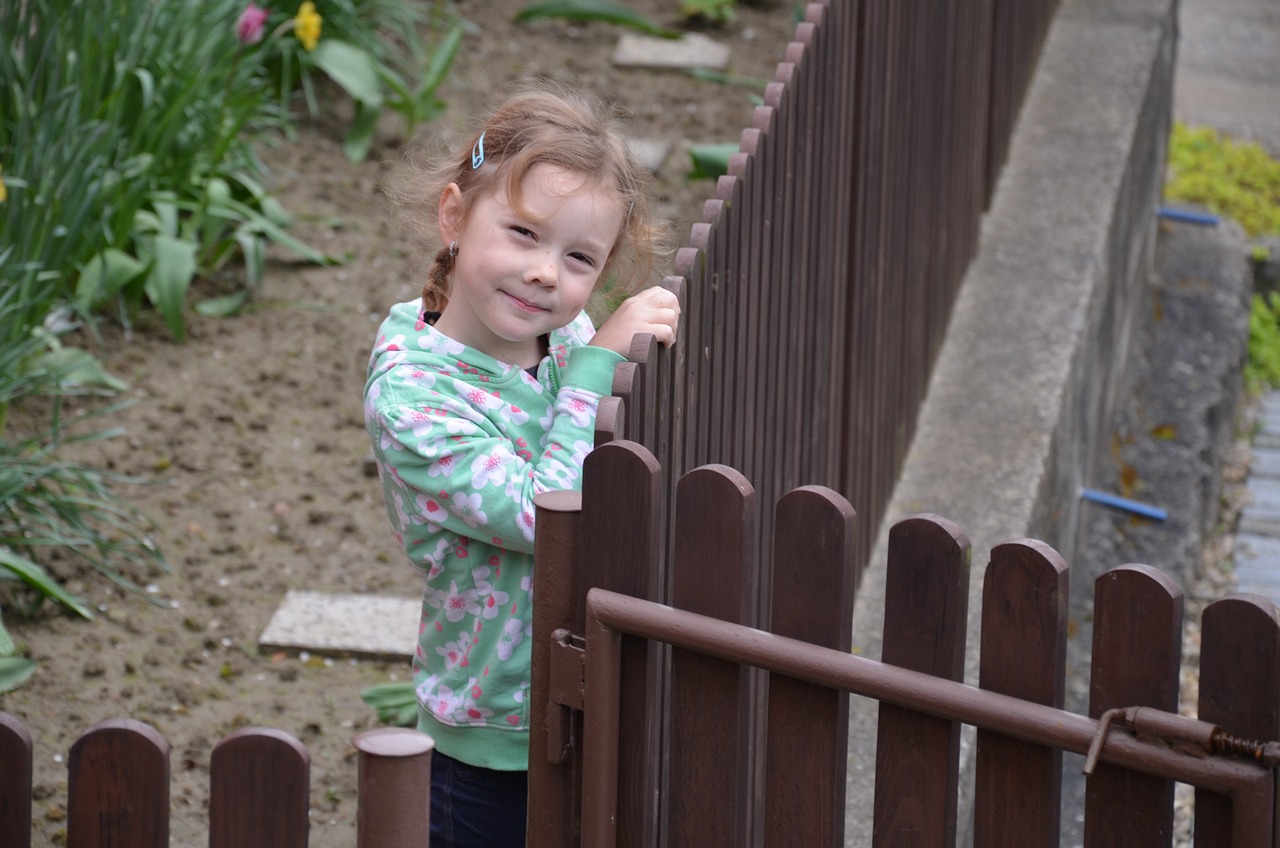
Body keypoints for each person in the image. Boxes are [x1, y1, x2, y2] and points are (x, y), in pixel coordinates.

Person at [363, 81, 680, 848]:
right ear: (453, 217)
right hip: (490, 728)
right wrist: (595, 373)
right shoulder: (413, 396)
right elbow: (549, 517)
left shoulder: (562, 338)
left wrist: (588, 362)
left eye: (578, 257)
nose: (545, 272)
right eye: (523, 233)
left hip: (585, 685)